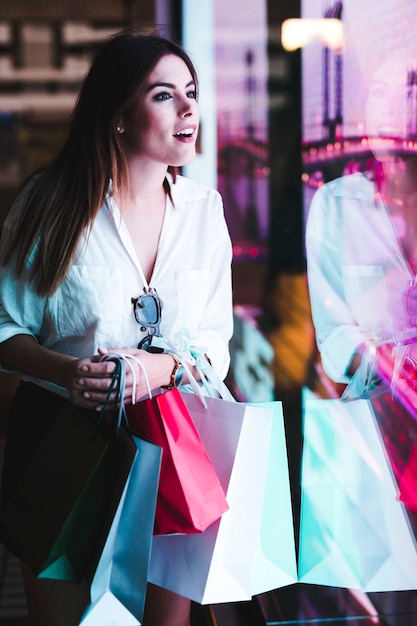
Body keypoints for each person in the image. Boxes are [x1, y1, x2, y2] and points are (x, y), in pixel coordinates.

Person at [0, 29, 233, 626]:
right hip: (59, 443)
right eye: (163, 96)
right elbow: (5, 327)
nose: (188, 110)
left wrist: (166, 367)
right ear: (119, 116)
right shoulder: (50, 203)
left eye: (191, 93)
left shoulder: (204, 211)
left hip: (170, 450)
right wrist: (67, 371)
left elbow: (213, 345)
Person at [306, 51, 417, 399]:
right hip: (374, 415)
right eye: (379, 92)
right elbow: (335, 336)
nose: (390, 108)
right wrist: (391, 365)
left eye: (409, 94)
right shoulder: (335, 205)